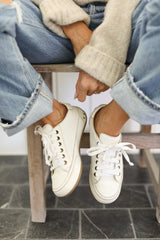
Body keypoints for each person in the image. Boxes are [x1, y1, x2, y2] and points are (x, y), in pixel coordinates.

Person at [1, 0, 160, 204]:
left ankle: (109, 123)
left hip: (133, 17)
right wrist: (73, 26)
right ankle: (54, 117)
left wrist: (103, 52)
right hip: (46, 20)